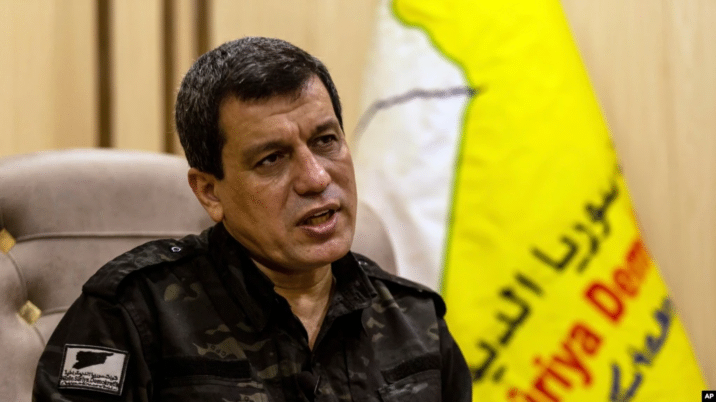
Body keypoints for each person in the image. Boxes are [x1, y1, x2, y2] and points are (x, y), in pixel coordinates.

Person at [33, 36, 472, 401]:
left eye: (325, 141)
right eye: (272, 159)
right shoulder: (129, 313)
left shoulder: (416, 321)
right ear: (210, 192)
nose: (316, 178)